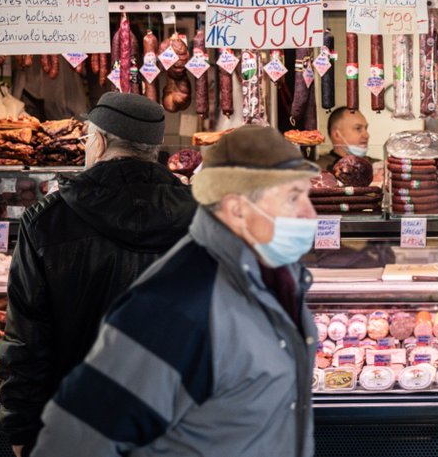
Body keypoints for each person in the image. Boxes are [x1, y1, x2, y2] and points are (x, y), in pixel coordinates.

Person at [32, 125, 320, 457]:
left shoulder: (276, 285)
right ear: (238, 208)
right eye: (292, 197)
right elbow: (73, 442)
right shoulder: (178, 305)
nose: (310, 214)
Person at [0, 93, 197, 457]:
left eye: (88, 136)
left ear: (100, 141)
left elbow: (26, 338)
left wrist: (21, 428)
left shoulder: (46, 220)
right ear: (152, 148)